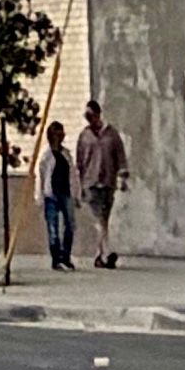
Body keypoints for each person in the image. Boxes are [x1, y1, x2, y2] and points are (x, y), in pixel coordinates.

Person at [69, 100, 126, 269]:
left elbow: (120, 157)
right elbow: (80, 162)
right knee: (99, 218)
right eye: (86, 116)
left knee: (104, 219)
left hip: (108, 181)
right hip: (90, 182)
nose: (89, 119)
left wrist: (122, 177)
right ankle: (107, 253)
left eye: (91, 115)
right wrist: (79, 186)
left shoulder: (112, 134)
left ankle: (100, 256)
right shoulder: (84, 136)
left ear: (98, 114)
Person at [35, 121, 75, 272]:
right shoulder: (46, 156)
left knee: (70, 224)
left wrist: (76, 193)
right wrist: (39, 196)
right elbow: (40, 176)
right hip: (51, 194)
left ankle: (66, 256)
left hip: (66, 193)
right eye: (56, 134)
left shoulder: (66, 154)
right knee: (53, 228)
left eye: (61, 134)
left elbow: (73, 174)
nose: (59, 137)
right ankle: (56, 259)